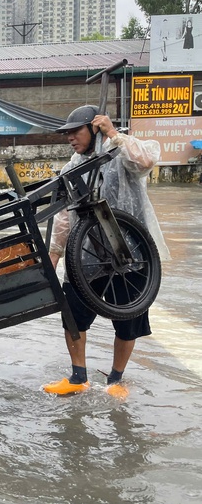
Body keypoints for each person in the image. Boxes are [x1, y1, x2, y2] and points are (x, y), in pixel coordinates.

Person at [43, 105, 169, 398]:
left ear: (94, 128)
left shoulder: (120, 151)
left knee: (129, 320)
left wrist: (113, 134)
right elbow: (63, 217)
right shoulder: (72, 168)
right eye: (67, 133)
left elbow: (146, 162)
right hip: (86, 255)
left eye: (76, 132)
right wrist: (54, 254)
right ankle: (78, 377)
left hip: (131, 252)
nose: (70, 138)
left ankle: (116, 380)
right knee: (73, 315)